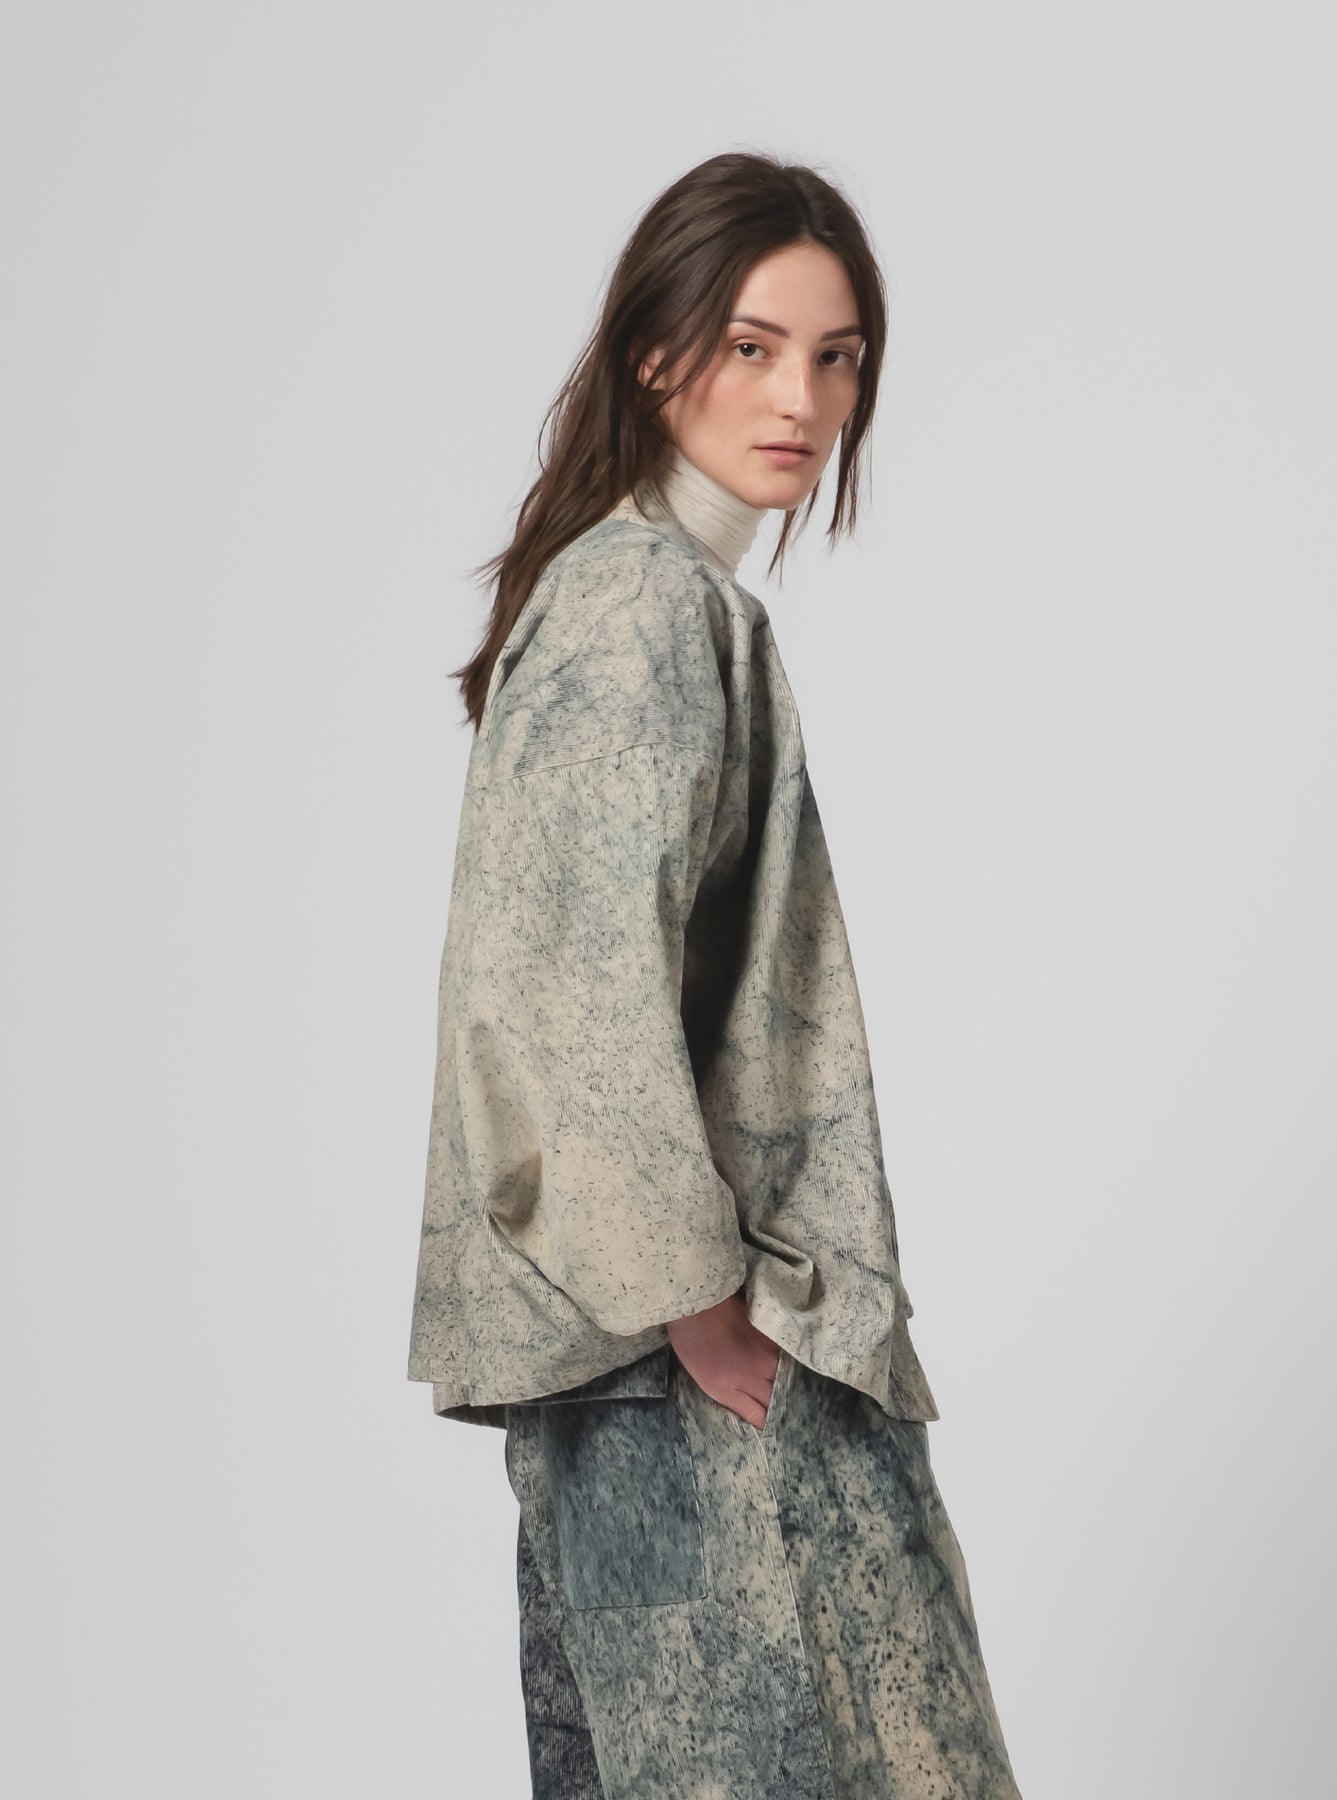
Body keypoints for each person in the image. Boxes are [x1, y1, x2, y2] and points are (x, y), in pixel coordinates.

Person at [405, 150, 1024, 1799]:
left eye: (836, 356)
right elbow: (575, 1000)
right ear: (655, 352)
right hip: (682, 1362)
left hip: (626, 1368)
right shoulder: (642, 608)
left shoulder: (633, 597)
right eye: (754, 346)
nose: (801, 398)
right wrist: (703, 1310)